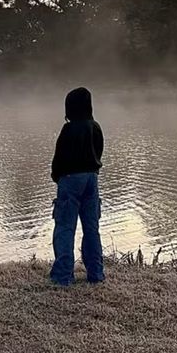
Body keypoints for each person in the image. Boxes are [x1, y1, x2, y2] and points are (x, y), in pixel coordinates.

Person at [49, 87, 104, 286]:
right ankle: (95, 273)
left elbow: (59, 158)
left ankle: (63, 276)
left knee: (65, 227)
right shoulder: (95, 127)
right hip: (92, 179)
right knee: (91, 228)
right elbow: (99, 153)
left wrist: (57, 177)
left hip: (70, 180)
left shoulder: (69, 129)